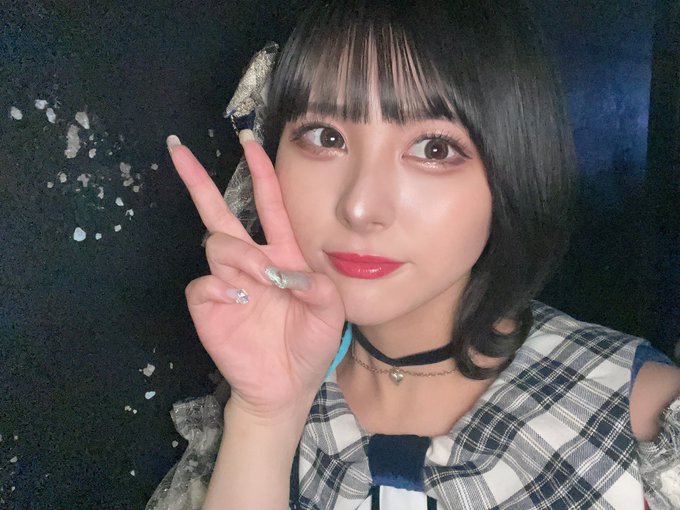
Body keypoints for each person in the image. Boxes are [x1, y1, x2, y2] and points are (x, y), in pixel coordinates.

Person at [148, 0, 680, 508]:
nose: (361, 207)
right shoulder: (262, 384)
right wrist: (267, 417)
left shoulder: (639, 416)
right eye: (326, 137)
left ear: (513, 168)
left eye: (434, 148)